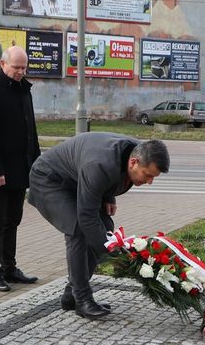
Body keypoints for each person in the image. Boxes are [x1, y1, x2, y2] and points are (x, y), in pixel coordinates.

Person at [27, 133, 169, 319]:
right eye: (148, 175)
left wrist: (108, 196)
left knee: (105, 229)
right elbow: (86, 218)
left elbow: (111, 175)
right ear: (134, 162)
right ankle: (82, 299)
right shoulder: (99, 164)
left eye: (153, 177)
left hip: (79, 179)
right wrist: (113, 253)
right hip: (50, 180)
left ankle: (72, 293)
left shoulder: (137, 151)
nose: (150, 182)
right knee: (78, 229)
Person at [0, 45, 41, 292]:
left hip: (21, 168)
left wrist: (36, 165)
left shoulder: (25, 91)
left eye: (24, 67)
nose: (20, 72)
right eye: (16, 67)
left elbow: (30, 132)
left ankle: (10, 267)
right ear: (3, 64)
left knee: (13, 220)